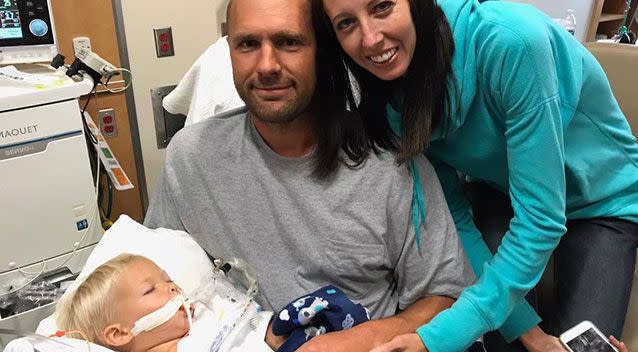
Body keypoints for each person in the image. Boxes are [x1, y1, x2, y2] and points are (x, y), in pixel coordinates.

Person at [144, 0, 475, 350]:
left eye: (289, 42)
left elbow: (448, 298)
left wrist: (353, 342)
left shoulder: (390, 165)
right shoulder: (192, 159)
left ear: (323, 51)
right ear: (229, 49)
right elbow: (140, 281)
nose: (267, 65)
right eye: (248, 44)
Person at [311, 0, 638, 351]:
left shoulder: (513, 43)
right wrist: (532, 335)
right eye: (346, 23)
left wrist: (435, 339)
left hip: (603, 200)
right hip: (506, 191)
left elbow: (541, 220)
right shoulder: (389, 99)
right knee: (496, 337)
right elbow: (454, 218)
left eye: (382, 6)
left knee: (581, 345)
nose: (371, 39)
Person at [56, 254, 280, 352]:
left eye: (168, 279)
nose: (173, 287)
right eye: (150, 289)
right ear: (120, 334)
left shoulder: (208, 314)